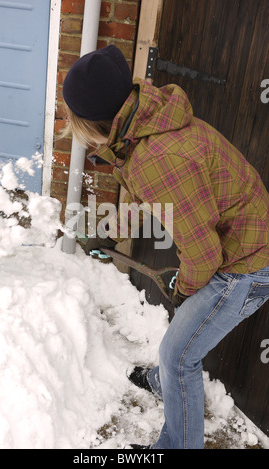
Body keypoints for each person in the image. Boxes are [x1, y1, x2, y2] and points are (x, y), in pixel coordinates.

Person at [62, 45, 269, 449]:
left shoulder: (157, 157)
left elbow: (204, 255)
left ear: (92, 121)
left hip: (245, 264)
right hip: (240, 242)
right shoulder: (145, 127)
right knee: (180, 342)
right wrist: (110, 230)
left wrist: (184, 289)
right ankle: (164, 382)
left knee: (179, 356)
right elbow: (150, 197)